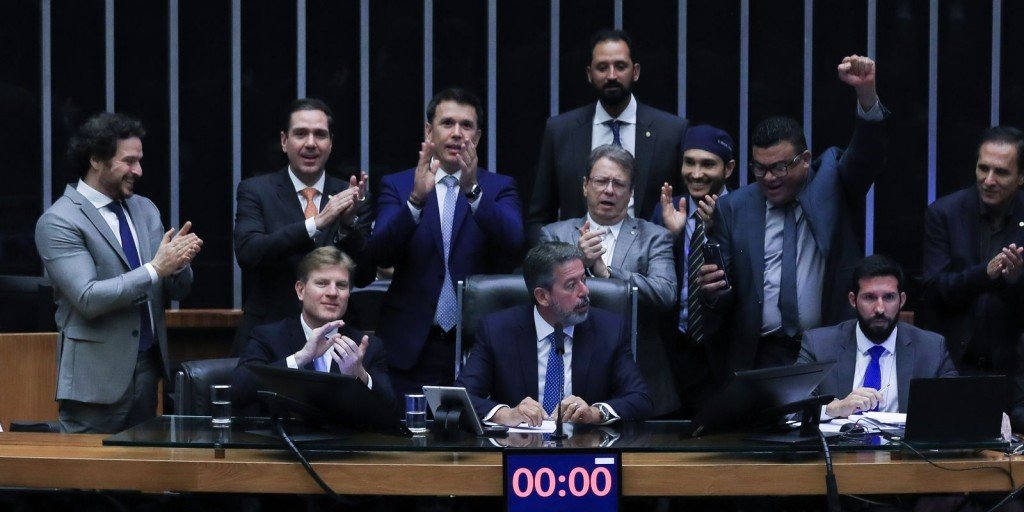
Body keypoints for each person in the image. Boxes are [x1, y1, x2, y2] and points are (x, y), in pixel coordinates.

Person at [699, 54, 890, 378]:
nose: (769, 178)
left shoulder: (832, 182)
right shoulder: (734, 207)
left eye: (779, 167)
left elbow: (867, 155)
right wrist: (713, 291)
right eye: (759, 168)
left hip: (828, 350)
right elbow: (725, 296)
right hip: (759, 355)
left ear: (805, 159)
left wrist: (866, 94)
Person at [35, 113, 202, 433]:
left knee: (142, 464)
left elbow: (176, 290)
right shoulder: (60, 220)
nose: (138, 171)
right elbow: (88, 298)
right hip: (95, 381)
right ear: (96, 159)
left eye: (139, 161)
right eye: (128, 161)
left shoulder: (145, 208)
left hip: (148, 370)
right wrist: (156, 267)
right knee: (88, 466)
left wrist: (179, 264)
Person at [368, 88, 524, 398]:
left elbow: (515, 243)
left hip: (479, 347)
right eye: (447, 123)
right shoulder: (398, 185)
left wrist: (473, 191)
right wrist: (415, 200)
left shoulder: (498, 187)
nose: (457, 133)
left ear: (477, 136)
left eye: (466, 125)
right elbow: (379, 251)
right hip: (411, 345)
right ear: (429, 131)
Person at [539, 144, 678, 416]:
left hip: (637, 373)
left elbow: (666, 293)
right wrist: (578, 260)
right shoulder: (554, 234)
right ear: (585, 185)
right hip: (570, 371)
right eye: (601, 181)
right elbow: (540, 295)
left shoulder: (654, 236)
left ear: (631, 192)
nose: (609, 190)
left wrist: (607, 274)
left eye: (619, 183)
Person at [232, 98, 373, 356]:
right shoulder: (256, 190)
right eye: (300, 134)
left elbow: (365, 275)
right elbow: (249, 252)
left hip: (337, 341)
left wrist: (347, 226)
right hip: (269, 337)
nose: (310, 143)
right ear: (284, 141)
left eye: (320, 134)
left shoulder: (351, 195)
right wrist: (315, 224)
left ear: (331, 143)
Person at [456, 242, 653, 426]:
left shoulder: (609, 329)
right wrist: (505, 414)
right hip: (518, 446)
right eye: (571, 285)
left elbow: (641, 399)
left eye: (583, 280)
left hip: (584, 445)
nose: (584, 291)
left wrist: (595, 413)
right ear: (543, 296)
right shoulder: (497, 330)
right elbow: (460, 399)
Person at [526, 29, 688, 245]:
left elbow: (685, 211)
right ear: (589, 74)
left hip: (649, 260)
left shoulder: (671, 131)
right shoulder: (561, 130)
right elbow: (539, 217)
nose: (612, 76)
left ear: (635, 71)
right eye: (602, 67)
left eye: (620, 66)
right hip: (576, 259)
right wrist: (562, 259)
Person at [919, 126, 1024, 378]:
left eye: (1001, 172)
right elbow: (933, 289)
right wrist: (985, 274)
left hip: (1014, 367)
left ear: (1021, 177)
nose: (988, 180)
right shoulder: (945, 213)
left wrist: (1015, 281)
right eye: (983, 168)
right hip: (953, 363)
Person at [232, 246, 393, 409]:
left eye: (341, 285)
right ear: (300, 290)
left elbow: (391, 412)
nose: (332, 292)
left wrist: (360, 376)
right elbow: (237, 392)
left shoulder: (367, 346)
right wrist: (299, 359)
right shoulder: (268, 337)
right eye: (322, 283)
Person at [798, 255, 957, 417]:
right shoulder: (819, 345)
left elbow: (955, 406)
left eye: (889, 297)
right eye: (870, 297)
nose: (880, 309)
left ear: (902, 300)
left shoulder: (931, 348)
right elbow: (792, 409)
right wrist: (832, 409)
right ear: (853, 300)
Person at [650, 124, 735, 416]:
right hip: (672, 353)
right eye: (689, 162)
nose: (696, 174)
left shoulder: (741, 210)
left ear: (728, 169)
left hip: (723, 356)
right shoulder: (666, 209)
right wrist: (670, 236)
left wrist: (718, 232)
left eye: (708, 164)